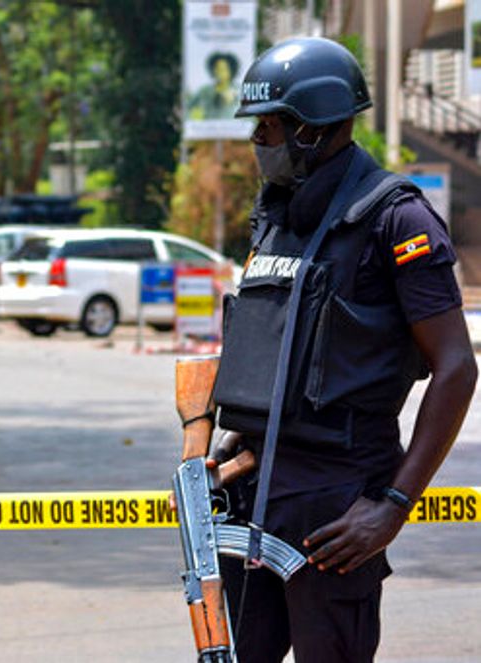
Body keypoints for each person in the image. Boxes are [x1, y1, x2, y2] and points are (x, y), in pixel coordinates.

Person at [208, 37, 477, 662]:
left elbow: (457, 369)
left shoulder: (396, 218)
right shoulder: (275, 212)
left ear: (311, 128)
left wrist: (393, 505)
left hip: (337, 505)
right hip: (253, 489)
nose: (259, 140)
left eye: (270, 126)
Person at [187, 51, 240, 120]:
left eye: (223, 69)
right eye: (217, 69)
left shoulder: (239, 90)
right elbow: (192, 111)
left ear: (231, 71)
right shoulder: (204, 91)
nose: (219, 72)